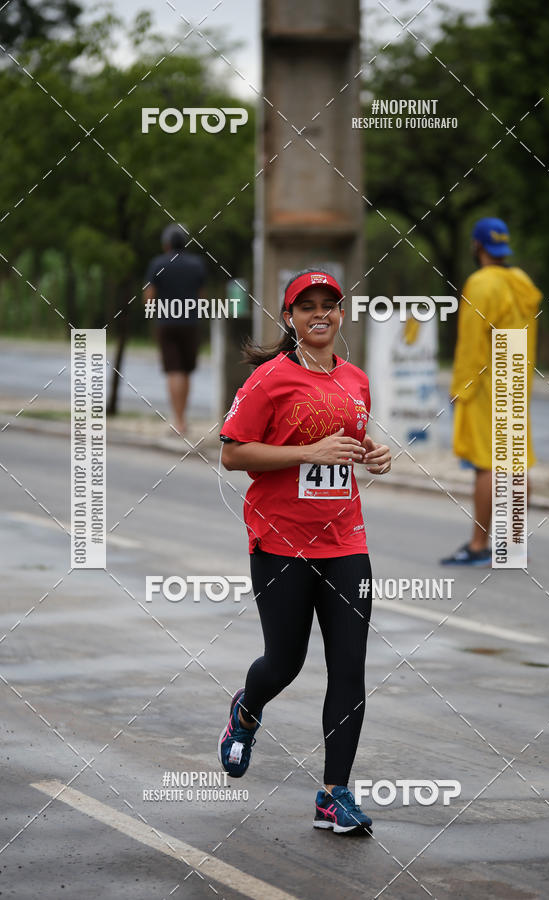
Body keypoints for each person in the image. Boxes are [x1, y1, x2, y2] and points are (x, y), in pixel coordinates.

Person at [217, 268, 391, 834]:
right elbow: (233, 454)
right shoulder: (269, 380)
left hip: (346, 540)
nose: (321, 314)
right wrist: (306, 451)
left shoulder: (358, 380)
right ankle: (247, 709)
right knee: (285, 661)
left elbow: (346, 440)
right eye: (307, 305)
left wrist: (371, 453)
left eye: (330, 305)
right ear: (290, 317)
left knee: (349, 668)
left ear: (342, 314)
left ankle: (333, 794)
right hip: (280, 541)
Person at [441, 217, 542, 566]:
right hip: (516, 376)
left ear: (478, 246)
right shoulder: (522, 281)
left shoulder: (481, 284)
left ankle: (479, 545)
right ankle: (513, 544)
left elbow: (472, 344)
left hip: (486, 383)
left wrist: (460, 389)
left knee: (487, 465)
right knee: (514, 464)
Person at [144, 224, 206, 435]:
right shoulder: (197, 264)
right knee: (186, 371)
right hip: (190, 323)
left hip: (167, 323)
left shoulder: (157, 264)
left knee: (173, 371)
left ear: (166, 244)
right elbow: (202, 296)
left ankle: (178, 421)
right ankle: (183, 418)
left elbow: (149, 297)